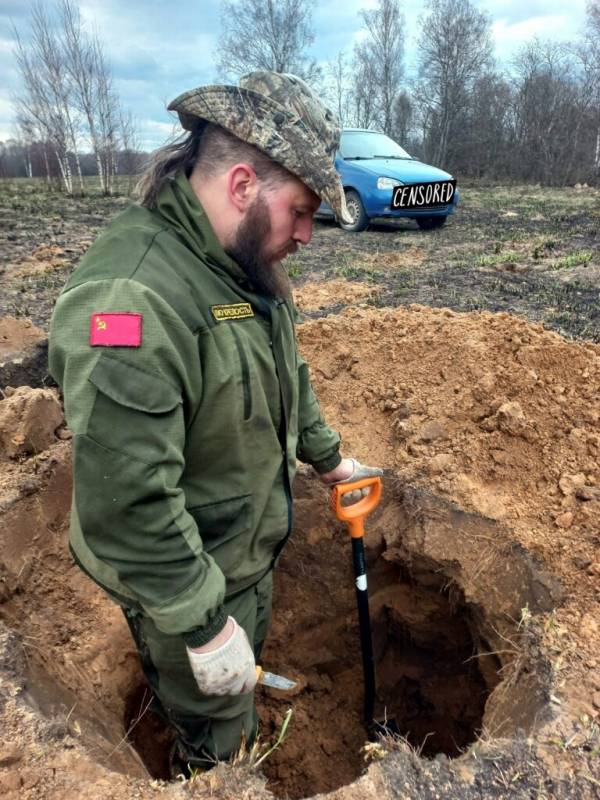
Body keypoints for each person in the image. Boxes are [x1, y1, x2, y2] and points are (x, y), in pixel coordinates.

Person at [48, 71, 382, 776]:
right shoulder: (133, 303)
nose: (306, 234)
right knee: (217, 739)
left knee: (239, 681)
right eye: (300, 209)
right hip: (182, 583)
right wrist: (202, 628)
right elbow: (127, 502)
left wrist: (328, 460)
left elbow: (284, 367)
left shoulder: (242, 268)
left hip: (241, 554)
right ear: (240, 185)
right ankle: (209, 764)